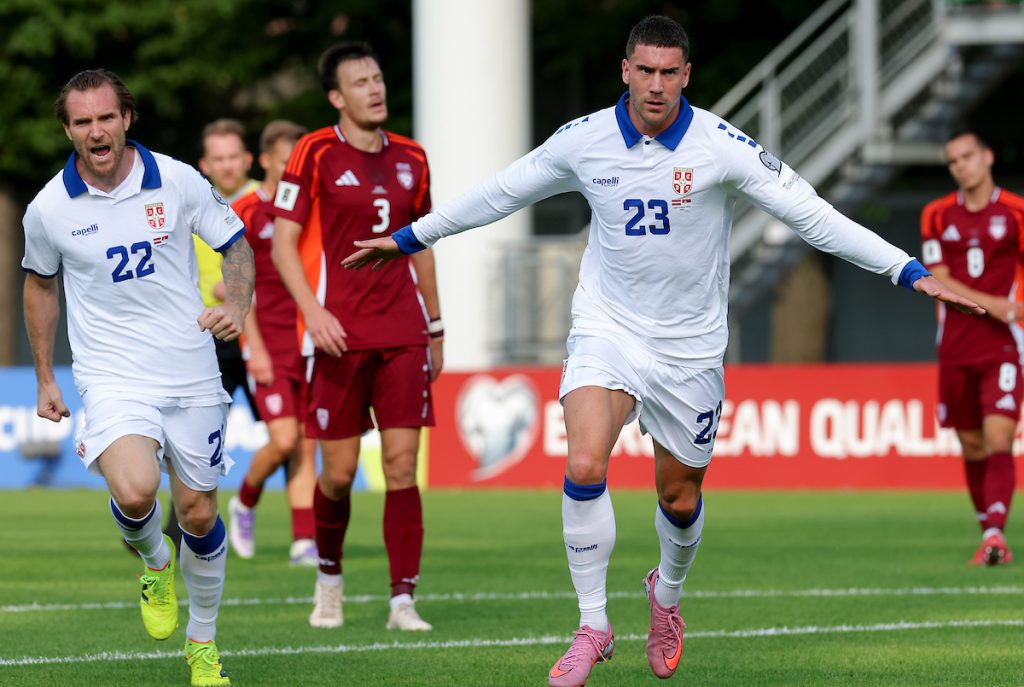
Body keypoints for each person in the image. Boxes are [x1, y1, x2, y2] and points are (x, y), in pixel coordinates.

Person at [343, 16, 981, 687]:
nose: (655, 85)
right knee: (584, 462)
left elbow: (812, 214)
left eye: (668, 72)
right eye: (644, 70)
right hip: (608, 328)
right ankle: (592, 624)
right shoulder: (585, 139)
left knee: (679, 497)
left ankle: (666, 595)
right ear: (625, 70)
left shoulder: (720, 146)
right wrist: (410, 237)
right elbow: (502, 192)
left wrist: (907, 270)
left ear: (686, 76)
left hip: (691, 351)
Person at [23, 69, 253, 686]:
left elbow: (235, 244)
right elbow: (40, 286)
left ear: (126, 118)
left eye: (106, 117)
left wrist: (237, 306)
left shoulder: (177, 179)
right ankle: (155, 562)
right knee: (134, 492)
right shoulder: (48, 208)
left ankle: (202, 646)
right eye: (82, 122)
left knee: (198, 515)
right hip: (112, 374)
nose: (96, 131)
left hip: (191, 371)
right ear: (68, 131)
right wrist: (45, 376)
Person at [270, 42, 444, 632]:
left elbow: (421, 243)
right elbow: (283, 244)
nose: (376, 89)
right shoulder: (313, 151)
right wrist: (313, 313)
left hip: (402, 331)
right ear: (337, 98)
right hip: (338, 334)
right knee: (339, 474)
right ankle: (329, 581)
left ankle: (403, 601)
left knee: (402, 466)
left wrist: (436, 325)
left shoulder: (413, 157)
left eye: (378, 78)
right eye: (361, 83)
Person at [920, 131, 1021, 566]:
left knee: (999, 437)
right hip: (956, 344)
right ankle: (988, 532)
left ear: (988, 156)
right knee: (973, 444)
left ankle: (995, 535)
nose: (961, 165)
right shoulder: (937, 214)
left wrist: (1012, 310)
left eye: (968, 156)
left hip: (1004, 343)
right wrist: (993, 304)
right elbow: (938, 277)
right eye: (953, 160)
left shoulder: (1016, 211)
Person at [227, 119, 320, 566]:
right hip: (268, 344)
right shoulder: (246, 211)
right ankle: (244, 502)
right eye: (287, 163)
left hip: (309, 343)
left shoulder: (311, 208)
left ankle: (304, 539)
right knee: (283, 440)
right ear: (265, 160)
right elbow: (238, 286)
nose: (294, 172)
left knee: (305, 443)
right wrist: (256, 347)